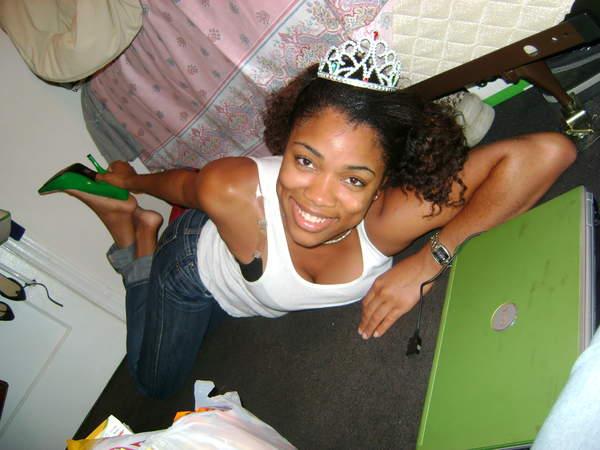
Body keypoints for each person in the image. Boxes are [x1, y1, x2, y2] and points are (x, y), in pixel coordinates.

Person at [44, 36, 577, 398]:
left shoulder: (387, 221)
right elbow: (185, 185)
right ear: (286, 144)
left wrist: (430, 259)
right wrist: (131, 183)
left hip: (249, 285)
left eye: (354, 179)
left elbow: (547, 152)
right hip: (191, 266)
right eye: (305, 161)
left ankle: (134, 233)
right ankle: (135, 237)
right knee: (153, 385)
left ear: (385, 185)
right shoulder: (229, 187)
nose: (318, 199)